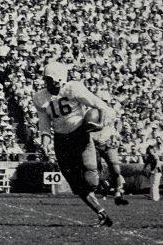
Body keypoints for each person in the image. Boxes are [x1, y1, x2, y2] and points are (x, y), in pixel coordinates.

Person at [33, 61, 115, 227]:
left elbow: (99, 105)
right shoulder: (40, 97)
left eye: (49, 79)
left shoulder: (73, 88)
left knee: (91, 180)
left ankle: (102, 176)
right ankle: (101, 213)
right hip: (61, 141)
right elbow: (44, 125)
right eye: (46, 79)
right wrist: (45, 143)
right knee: (76, 184)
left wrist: (100, 123)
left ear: (59, 79)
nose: (46, 83)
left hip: (80, 135)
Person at [89, 94, 129, 205]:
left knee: (116, 169)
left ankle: (117, 195)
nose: (104, 102)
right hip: (94, 144)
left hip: (108, 144)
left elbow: (114, 128)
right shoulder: (91, 112)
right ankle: (104, 185)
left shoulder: (111, 112)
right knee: (96, 171)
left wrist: (115, 136)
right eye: (102, 100)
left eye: (106, 100)